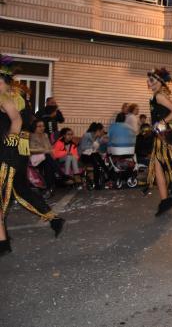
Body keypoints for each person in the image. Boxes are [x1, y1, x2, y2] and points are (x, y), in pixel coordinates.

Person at [1, 55, 64, 256]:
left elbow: (17, 122)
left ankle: (3, 243)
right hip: (18, 152)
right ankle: (54, 219)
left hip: (8, 153)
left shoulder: (5, 97)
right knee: (22, 190)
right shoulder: (18, 97)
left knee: (9, 194)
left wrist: (10, 141)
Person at [145, 68, 172, 216]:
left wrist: (161, 122)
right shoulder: (157, 96)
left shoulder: (159, 96)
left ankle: (167, 198)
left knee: (159, 166)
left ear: (160, 83)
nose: (148, 82)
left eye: (152, 80)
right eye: (148, 80)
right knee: (160, 166)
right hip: (161, 134)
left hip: (163, 135)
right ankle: (168, 197)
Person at [29, 119, 59, 195]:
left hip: (44, 157)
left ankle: (49, 187)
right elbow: (31, 149)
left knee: (48, 163)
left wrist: (51, 151)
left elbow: (49, 147)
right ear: (34, 127)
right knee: (48, 157)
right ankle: (59, 173)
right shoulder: (31, 135)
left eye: (43, 126)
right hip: (34, 157)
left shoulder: (45, 135)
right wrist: (44, 150)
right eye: (39, 126)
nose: (42, 128)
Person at [79, 122, 111, 190]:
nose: (102, 133)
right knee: (96, 161)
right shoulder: (86, 135)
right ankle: (99, 183)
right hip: (84, 156)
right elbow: (82, 147)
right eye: (102, 131)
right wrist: (92, 146)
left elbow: (101, 144)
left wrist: (106, 140)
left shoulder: (98, 138)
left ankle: (107, 178)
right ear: (98, 131)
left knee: (100, 161)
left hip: (93, 155)